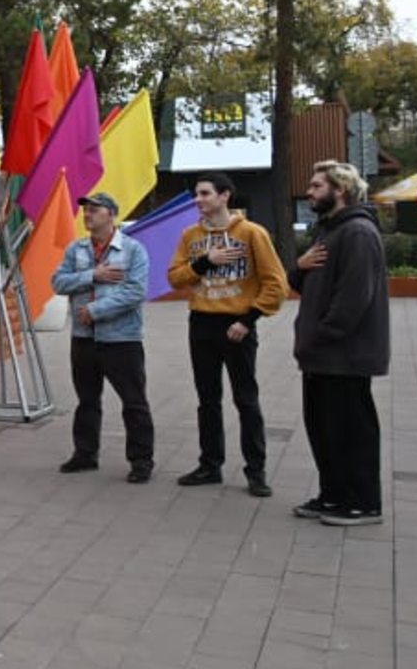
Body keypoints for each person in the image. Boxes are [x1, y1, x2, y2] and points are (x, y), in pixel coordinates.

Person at [167, 172, 289, 496]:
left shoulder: (252, 233)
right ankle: (210, 465)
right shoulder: (190, 235)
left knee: (245, 399)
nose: (198, 199)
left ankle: (256, 471)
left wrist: (248, 320)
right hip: (201, 324)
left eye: (205, 193)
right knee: (207, 401)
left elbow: (276, 283)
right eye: (196, 194)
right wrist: (206, 262)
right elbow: (175, 277)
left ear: (224, 196)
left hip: (238, 326)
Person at [290, 160, 390, 526]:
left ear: (340, 190)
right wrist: (299, 266)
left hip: (344, 355)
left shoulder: (358, 233)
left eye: (317, 186)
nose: (310, 192)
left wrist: (321, 335)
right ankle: (333, 495)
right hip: (320, 356)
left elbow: (353, 298)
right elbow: (300, 284)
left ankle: (363, 503)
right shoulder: (327, 232)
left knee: (351, 430)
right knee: (325, 429)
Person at [52, 192, 155, 483]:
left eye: (94, 210)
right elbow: (57, 282)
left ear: (111, 214)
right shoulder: (77, 250)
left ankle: (141, 460)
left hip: (121, 338)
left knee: (133, 401)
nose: (87, 215)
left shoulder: (132, 250)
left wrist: (96, 310)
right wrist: (92, 276)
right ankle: (85, 454)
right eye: (85, 210)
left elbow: (135, 292)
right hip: (83, 338)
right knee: (87, 399)